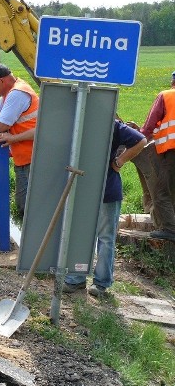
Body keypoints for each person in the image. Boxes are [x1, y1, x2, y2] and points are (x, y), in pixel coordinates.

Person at [64, 119, 147, 297]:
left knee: (106, 238)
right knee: (81, 235)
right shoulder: (77, 117)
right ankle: (75, 279)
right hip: (82, 187)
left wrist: (119, 161)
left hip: (107, 188)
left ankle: (101, 283)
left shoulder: (112, 123)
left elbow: (141, 140)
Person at [0, 63, 38, 216]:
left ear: (1, 81)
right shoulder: (9, 92)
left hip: (33, 157)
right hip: (24, 157)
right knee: (23, 206)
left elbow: (1, 126)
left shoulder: (16, 94)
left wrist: (8, 134)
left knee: (28, 209)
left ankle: (30, 239)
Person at [136, 71, 175, 241]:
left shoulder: (166, 96)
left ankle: (169, 229)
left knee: (161, 192)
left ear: (172, 80)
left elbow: (149, 127)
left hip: (172, 152)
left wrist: (136, 139)